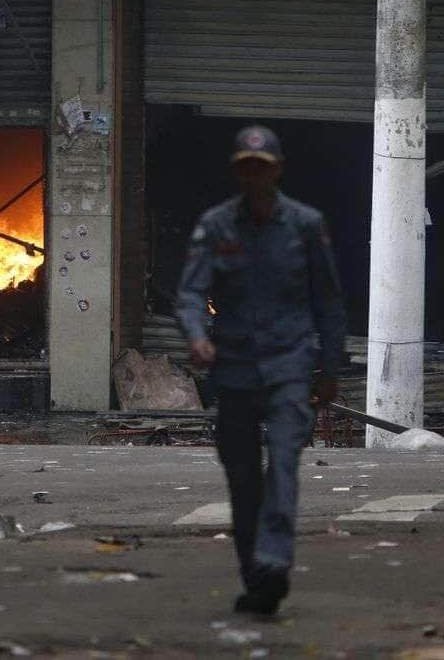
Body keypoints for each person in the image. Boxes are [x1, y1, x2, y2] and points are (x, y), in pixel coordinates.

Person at [176, 125, 347, 615]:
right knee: (243, 475)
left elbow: (329, 301)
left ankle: (274, 559)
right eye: (246, 168)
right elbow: (190, 292)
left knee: (285, 460)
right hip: (233, 368)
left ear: (278, 171)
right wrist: (196, 337)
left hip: (289, 364)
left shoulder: (306, 225)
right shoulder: (216, 226)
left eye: (262, 168)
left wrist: (329, 367)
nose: (254, 177)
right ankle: (257, 575)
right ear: (236, 172)